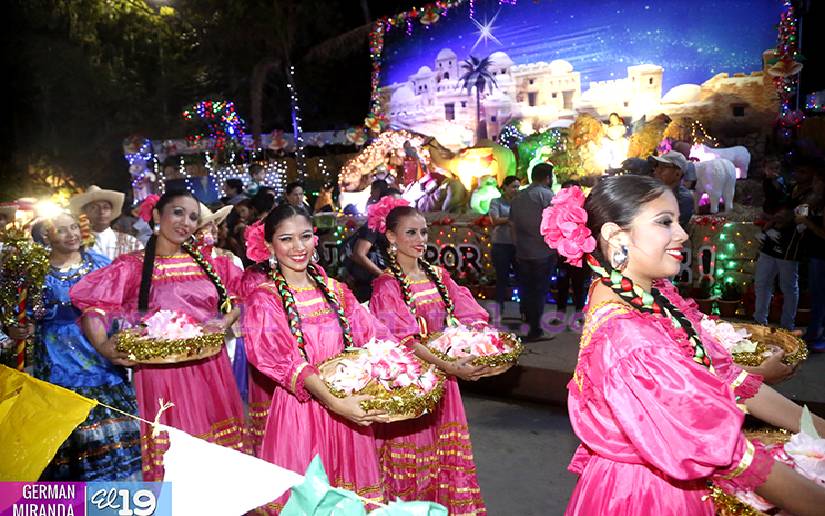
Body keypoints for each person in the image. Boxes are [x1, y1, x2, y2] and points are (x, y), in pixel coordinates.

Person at [542, 175, 825, 515]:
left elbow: (723, 375)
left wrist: (818, 429)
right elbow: (724, 453)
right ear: (616, 236)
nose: (683, 234)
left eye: (678, 220)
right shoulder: (633, 341)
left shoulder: (649, 293)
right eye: (665, 222)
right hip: (650, 497)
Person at [71, 190, 246, 481]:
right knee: (176, 456)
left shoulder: (211, 263)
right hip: (160, 375)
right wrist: (103, 345)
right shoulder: (133, 265)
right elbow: (94, 307)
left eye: (193, 217)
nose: (186, 222)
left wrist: (224, 320)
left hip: (211, 368)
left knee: (218, 455)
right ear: (156, 215)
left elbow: (239, 296)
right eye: (177, 212)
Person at [242, 204, 390, 511]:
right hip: (301, 415)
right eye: (286, 239)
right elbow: (282, 359)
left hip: (349, 411)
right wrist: (335, 402)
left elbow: (373, 340)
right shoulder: (264, 300)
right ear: (269, 246)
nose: (298, 248)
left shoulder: (338, 292)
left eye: (305, 236)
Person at [369, 200, 489, 514]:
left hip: (445, 382)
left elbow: (469, 313)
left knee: (443, 455)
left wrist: (480, 342)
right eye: (411, 232)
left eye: (424, 231)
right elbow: (403, 341)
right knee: (414, 455)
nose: (421, 239)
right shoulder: (387, 286)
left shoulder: (438, 275)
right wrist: (449, 365)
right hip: (412, 386)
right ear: (392, 237)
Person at [32, 211, 141, 481]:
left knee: (110, 415)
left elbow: (121, 305)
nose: (71, 235)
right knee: (71, 424)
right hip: (57, 355)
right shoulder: (36, 272)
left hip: (97, 347)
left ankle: (121, 486)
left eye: (73, 227)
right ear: (47, 236)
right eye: (62, 230)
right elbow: (17, 315)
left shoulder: (101, 265)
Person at [510, 163, 556, 341]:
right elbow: (554, 222)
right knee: (539, 291)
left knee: (527, 290)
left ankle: (530, 325)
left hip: (523, 251)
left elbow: (512, 224)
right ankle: (535, 330)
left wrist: (517, 246)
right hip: (543, 251)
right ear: (547, 178)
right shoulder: (546, 195)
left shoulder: (519, 197)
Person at [753, 201, 802, 330]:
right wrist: (769, 224)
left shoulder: (805, 199)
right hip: (769, 247)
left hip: (787, 250)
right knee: (762, 283)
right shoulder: (789, 194)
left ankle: (787, 325)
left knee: (789, 288)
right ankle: (759, 321)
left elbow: (798, 219)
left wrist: (776, 219)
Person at [69, 186, 143, 260]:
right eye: (94, 208)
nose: (101, 212)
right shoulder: (75, 245)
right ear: (84, 212)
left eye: (106, 207)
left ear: (111, 211)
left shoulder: (132, 244)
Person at [797, 164, 825, 352]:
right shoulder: (817, 201)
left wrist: (806, 222)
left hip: (822, 256)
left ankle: (817, 335)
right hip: (815, 255)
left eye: (817, 180)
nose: (813, 183)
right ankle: (814, 332)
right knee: (816, 295)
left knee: (820, 297)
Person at [488, 176, 520, 311]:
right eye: (513, 186)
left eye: (518, 187)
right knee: (502, 277)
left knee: (521, 277)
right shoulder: (496, 202)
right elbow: (494, 220)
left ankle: (524, 310)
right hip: (501, 244)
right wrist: (511, 220)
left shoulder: (520, 202)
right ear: (505, 187)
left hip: (517, 244)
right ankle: (499, 308)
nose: (516, 190)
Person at [652, 151, 694, 228]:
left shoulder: (683, 199)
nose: (657, 171)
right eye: (657, 166)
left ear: (677, 174)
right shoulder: (654, 192)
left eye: (663, 167)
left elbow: (670, 228)